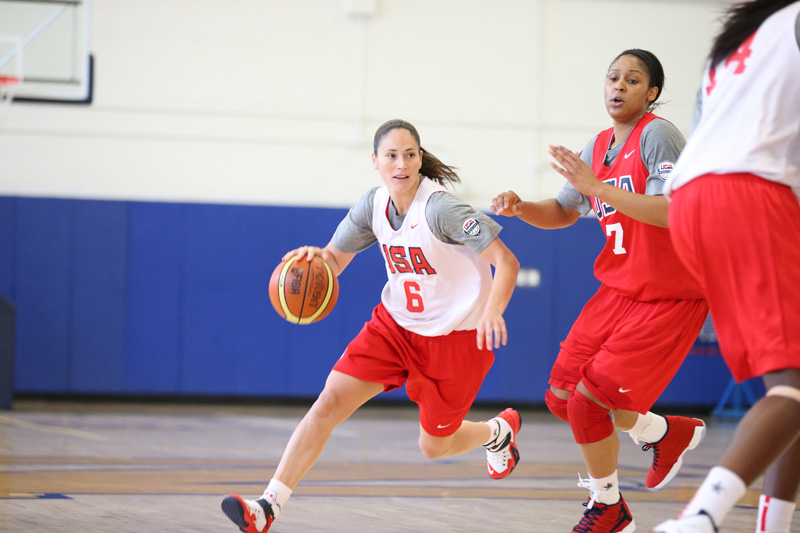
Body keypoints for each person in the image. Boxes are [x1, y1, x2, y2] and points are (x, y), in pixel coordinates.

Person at [221, 119, 521, 533]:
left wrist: (494, 310)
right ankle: (267, 506)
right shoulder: (371, 205)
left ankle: (497, 432)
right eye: (392, 155)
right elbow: (334, 260)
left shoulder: (441, 209)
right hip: (395, 328)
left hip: (457, 339)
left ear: (420, 159)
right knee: (327, 405)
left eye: (410, 154)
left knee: (435, 446)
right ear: (375, 161)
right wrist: (317, 259)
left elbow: (506, 261)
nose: (401, 164)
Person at [492, 49, 709, 533]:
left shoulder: (658, 134)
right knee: (561, 396)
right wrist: (522, 205)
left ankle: (608, 506)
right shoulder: (598, 146)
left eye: (633, 80)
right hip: (619, 291)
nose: (619, 86)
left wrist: (599, 187)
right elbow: (567, 210)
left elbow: (672, 211)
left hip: (668, 294)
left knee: (590, 403)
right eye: (613, 77)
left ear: (651, 93)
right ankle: (663, 432)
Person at [647, 2, 800, 533]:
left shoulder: (738, 43)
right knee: (791, 387)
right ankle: (701, 518)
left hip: (694, 204)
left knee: (793, 388)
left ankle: (773, 524)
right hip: (750, 194)